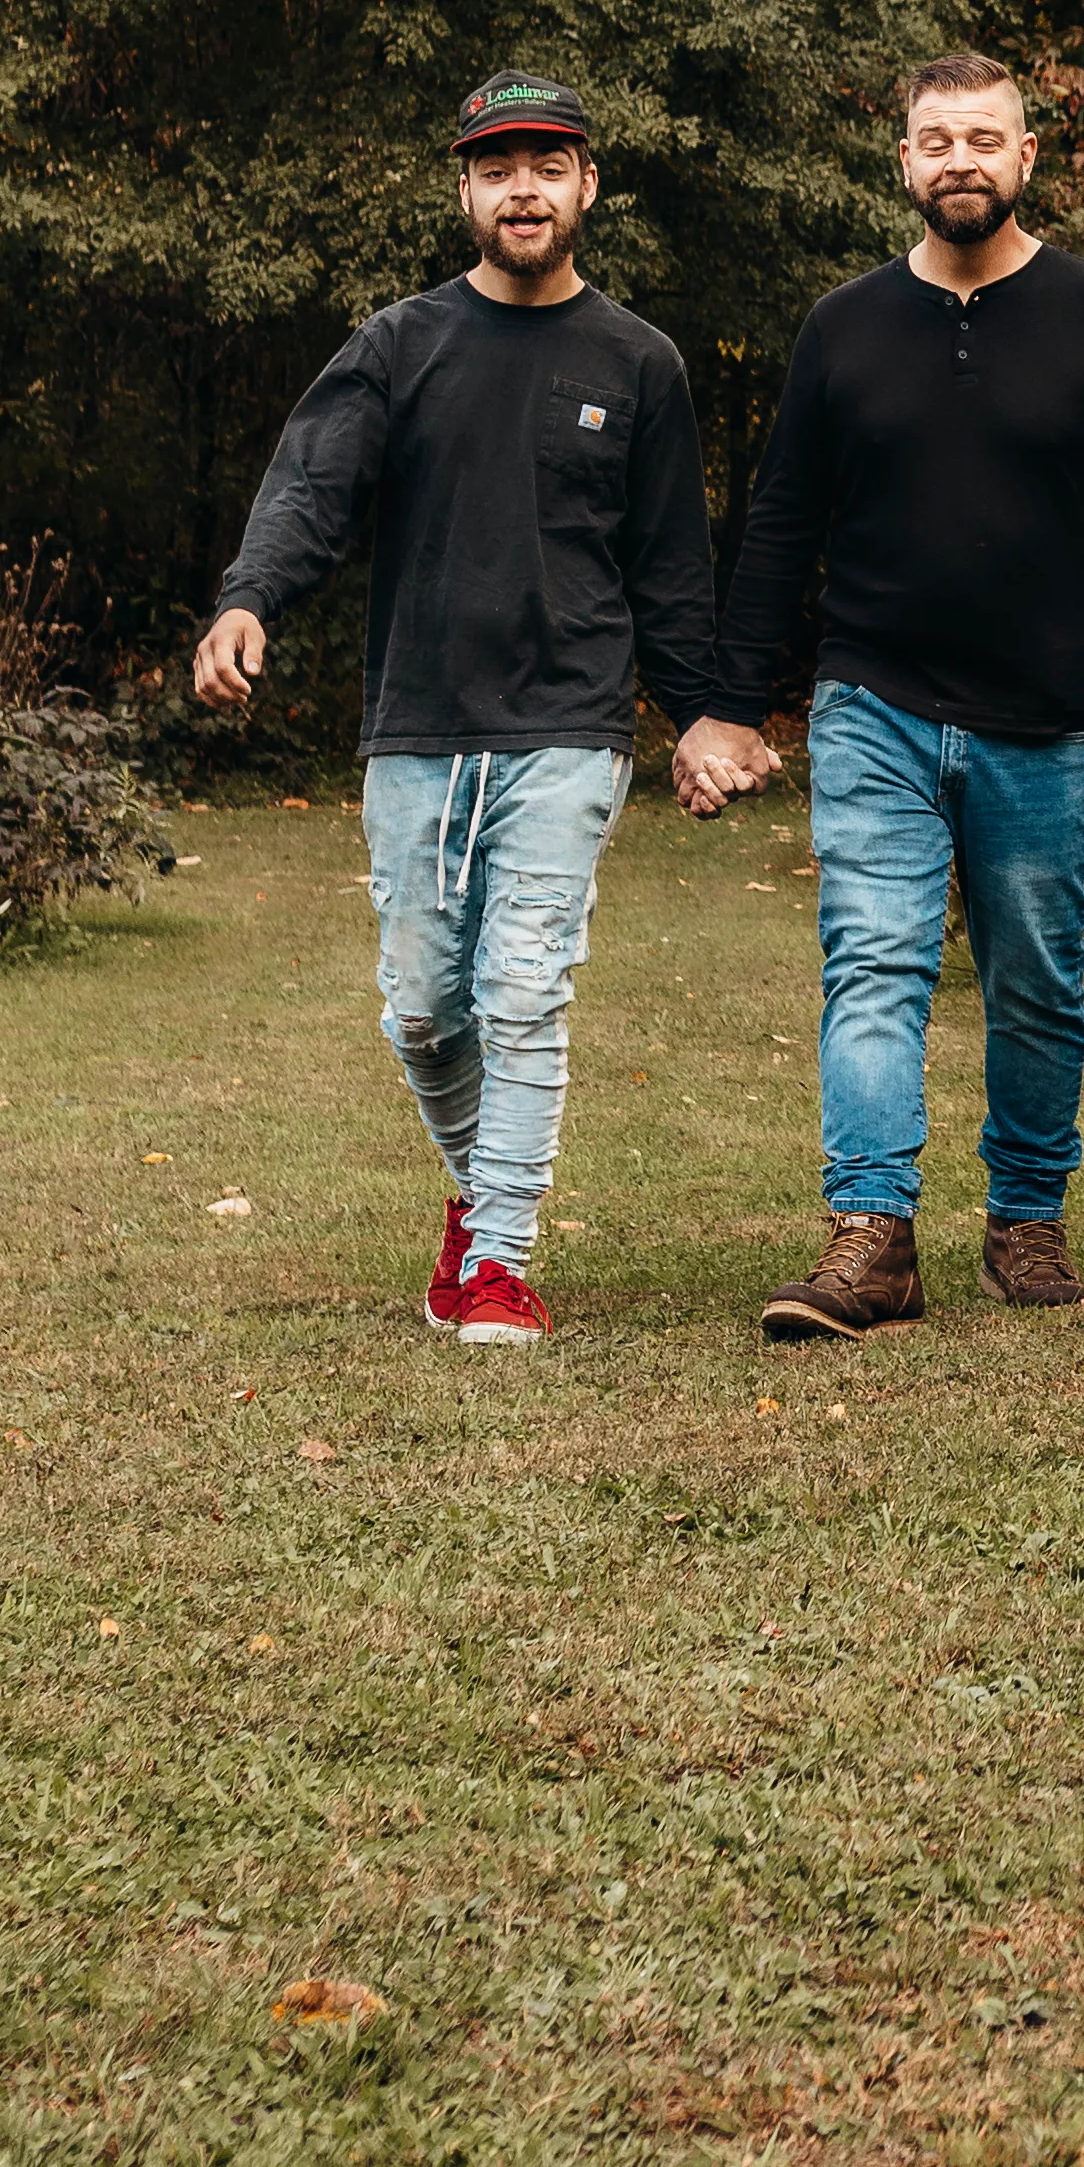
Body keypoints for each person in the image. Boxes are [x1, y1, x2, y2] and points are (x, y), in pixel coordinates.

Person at [194, 69, 736, 1347]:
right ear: (467, 190)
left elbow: (671, 569)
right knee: (427, 1009)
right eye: (500, 169)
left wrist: (705, 716)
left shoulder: (640, 362)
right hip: (419, 726)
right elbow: (311, 490)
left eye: (550, 166)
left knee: (524, 986)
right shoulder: (399, 344)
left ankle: (497, 1260)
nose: (526, 189)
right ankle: (476, 1199)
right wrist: (249, 597)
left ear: (588, 184)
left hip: (571, 722)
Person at [687, 53, 1084, 1344]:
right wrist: (732, 703)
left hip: (1049, 713)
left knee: (1033, 977)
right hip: (876, 700)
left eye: (984, 138)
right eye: (935, 139)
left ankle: (1026, 1218)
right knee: (873, 960)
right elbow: (780, 523)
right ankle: (871, 1237)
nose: (959, 160)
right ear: (902, 163)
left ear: (1026, 159)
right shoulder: (842, 326)